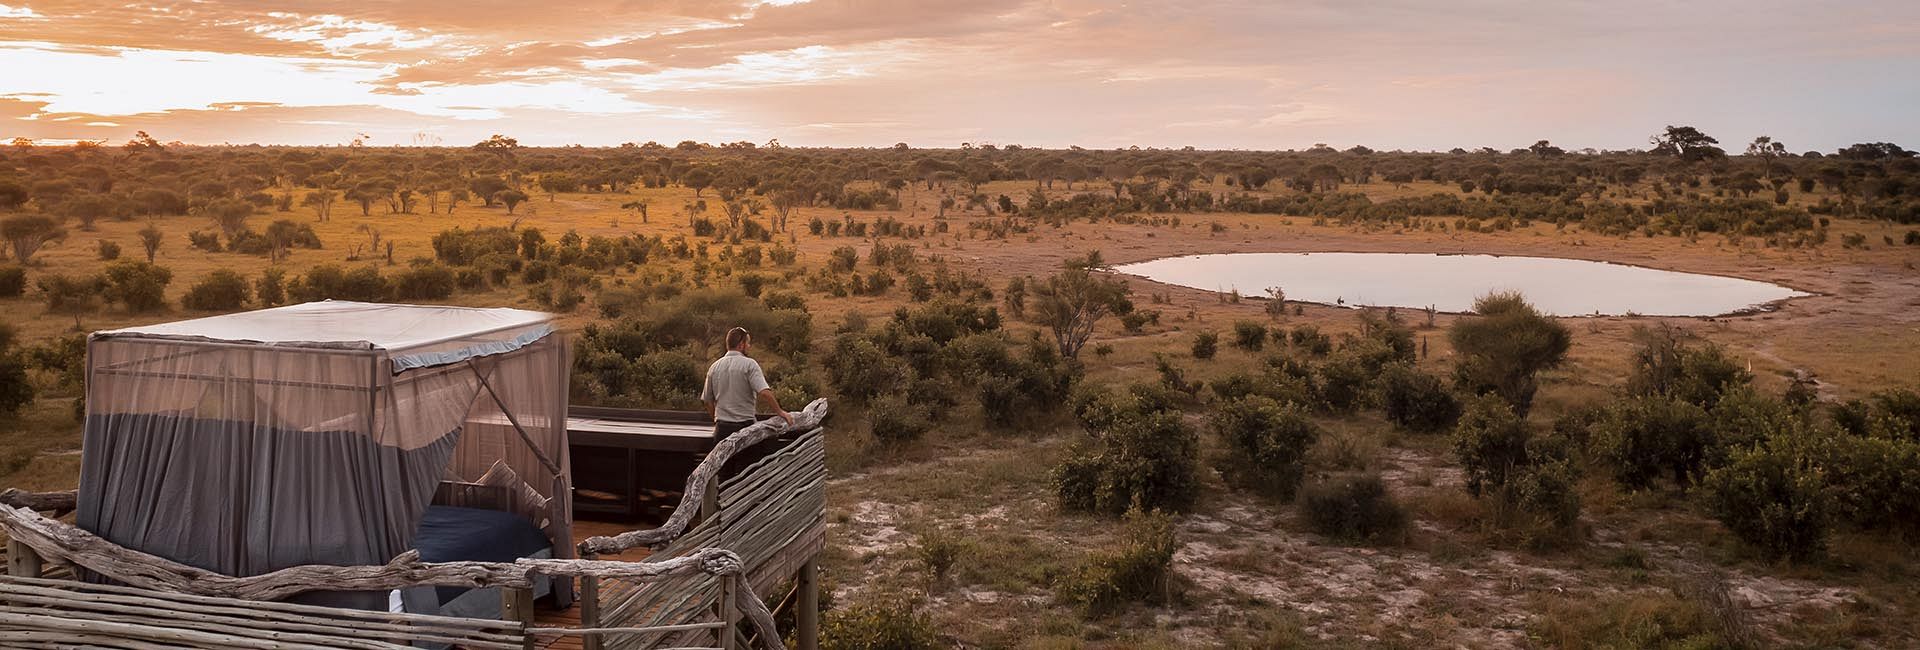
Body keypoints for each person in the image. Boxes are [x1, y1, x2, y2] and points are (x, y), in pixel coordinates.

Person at [701, 327, 794, 448]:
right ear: (741, 345)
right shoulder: (749, 365)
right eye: (748, 343)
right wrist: (780, 412)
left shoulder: (714, 367)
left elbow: (707, 400)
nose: (749, 346)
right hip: (744, 427)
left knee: (724, 465)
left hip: (722, 429)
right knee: (747, 466)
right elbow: (764, 392)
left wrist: (716, 418)